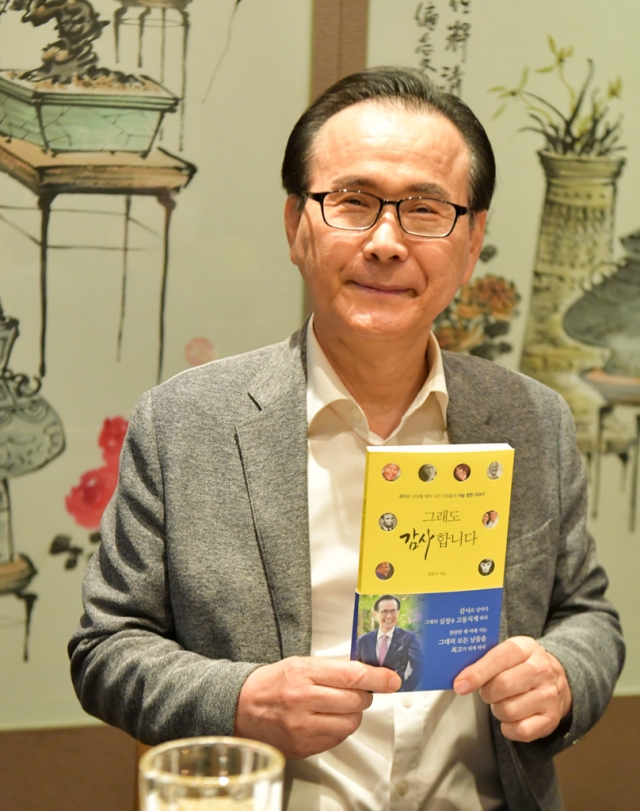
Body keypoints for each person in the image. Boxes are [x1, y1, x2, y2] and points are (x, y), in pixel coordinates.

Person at [69, 67, 624, 811]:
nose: (387, 242)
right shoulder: (185, 422)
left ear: (472, 242)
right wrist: (242, 699)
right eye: (354, 203)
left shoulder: (533, 419)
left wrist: (561, 674)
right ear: (296, 224)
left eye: (426, 210)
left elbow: (587, 615)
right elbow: (106, 647)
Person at [355, 596, 422, 691]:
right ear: (375, 614)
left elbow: (420, 666)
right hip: (368, 695)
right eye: (384, 611)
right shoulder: (363, 640)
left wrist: (405, 689)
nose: (389, 616)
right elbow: (356, 668)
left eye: (393, 611)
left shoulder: (408, 638)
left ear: (398, 613)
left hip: (395, 694)